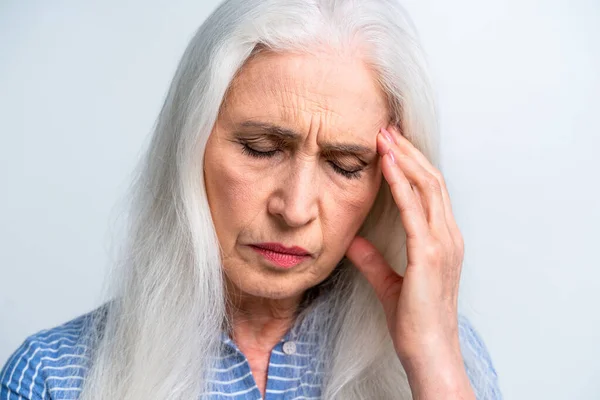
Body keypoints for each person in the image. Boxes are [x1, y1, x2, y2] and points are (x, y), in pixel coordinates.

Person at [0, 0, 503, 399]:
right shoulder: (54, 377)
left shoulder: (447, 360)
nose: (296, 208)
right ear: (190, 144)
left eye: (345, 166)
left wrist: (434, 368)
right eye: (261, 150)